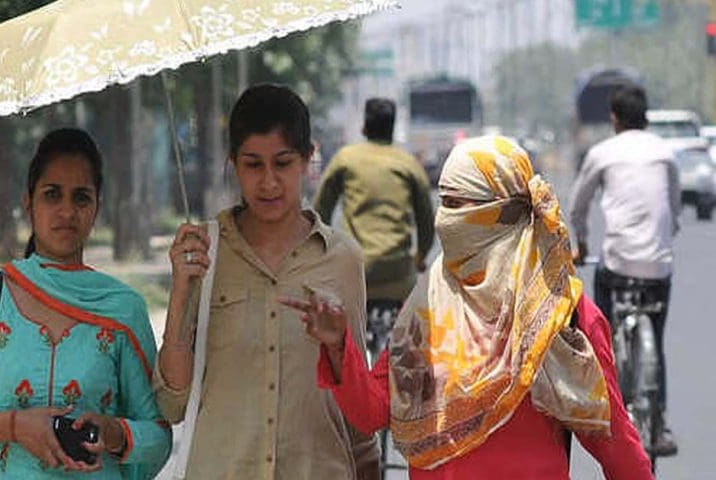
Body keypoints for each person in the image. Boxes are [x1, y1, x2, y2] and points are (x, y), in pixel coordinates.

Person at [282, 135, 655, 479]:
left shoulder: (564, 318)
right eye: (445, 203)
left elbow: (615, 444)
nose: (448, 220)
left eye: (462, 206)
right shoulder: (428, 308)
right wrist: (337, 345)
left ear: (503, 214)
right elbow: (372, 410)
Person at [152, 84, 380, 479]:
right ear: (233, 164)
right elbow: (171, 405)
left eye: (283, 163)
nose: (269, 182)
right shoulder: (202, 254)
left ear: (309, 160)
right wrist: (179, 293)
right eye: (253, 165)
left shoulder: (342, 260)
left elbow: (358, 412)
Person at [0, 128, 171, 478]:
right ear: (29, 203)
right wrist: (13, 426)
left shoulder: (122, 308)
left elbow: (158, 436)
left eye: (81, 197)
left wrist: (114, 434)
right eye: (52, 195)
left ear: (97, 207)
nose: (67, 210)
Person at [570, 84, 680, 455]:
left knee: (602, 327)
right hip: (659, 266)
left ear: (614, 118)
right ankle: (660, 421)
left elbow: (578, 206)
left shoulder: (603, 154)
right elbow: (675, 209)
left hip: (616, 265)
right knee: (658, 341)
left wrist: (581, 244)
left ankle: (612, 402)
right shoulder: (665, 154)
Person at [313, 97, 434, 306]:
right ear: (392, 127)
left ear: (364, 127)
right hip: (399, 275)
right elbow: (427, 222)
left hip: (353, 271)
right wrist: (420, 258)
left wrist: (323, 256)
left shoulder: (345, 158)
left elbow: (320, 211)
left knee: (342, 333)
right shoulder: (409, 164)